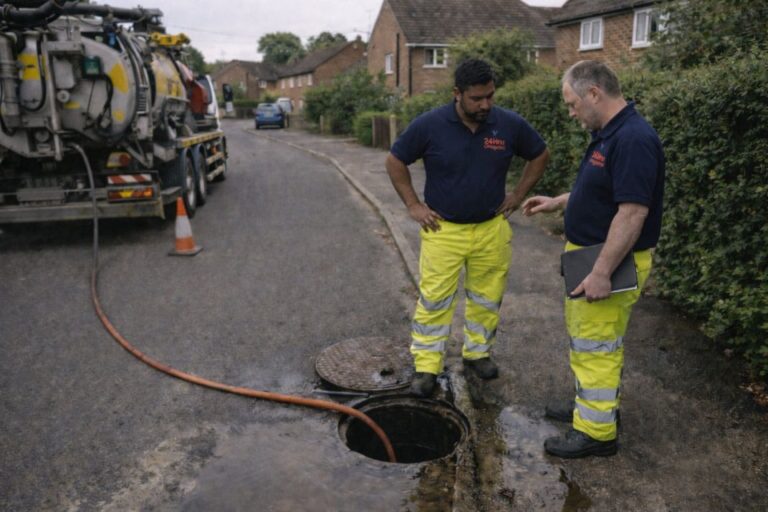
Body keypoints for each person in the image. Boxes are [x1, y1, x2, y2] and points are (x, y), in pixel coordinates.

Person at [522, 60, 665, 458]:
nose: (571, 112)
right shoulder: (610, 133)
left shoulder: (633, 139)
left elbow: (632, 212)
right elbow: (604, 194)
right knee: (588, 343)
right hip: (590, 256)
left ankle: (597, 433)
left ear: (594, 94)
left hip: (607, 262)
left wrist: (602, 272)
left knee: (597, 346)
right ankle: (591, 408)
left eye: (572, 103)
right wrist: (561, 201)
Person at [386, 58, 549, 397]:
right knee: (434, 300)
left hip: (492, 228)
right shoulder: (430, 125)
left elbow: (539, 154)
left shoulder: (507, 124)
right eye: (477, 98)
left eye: (490, 96)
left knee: (487, 298)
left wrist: (518, 194)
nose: (485, 105)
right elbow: (395, 160)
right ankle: (427, 366)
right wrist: (414, 205)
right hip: (443, 230)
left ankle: (477, 353)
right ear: (457, 94)